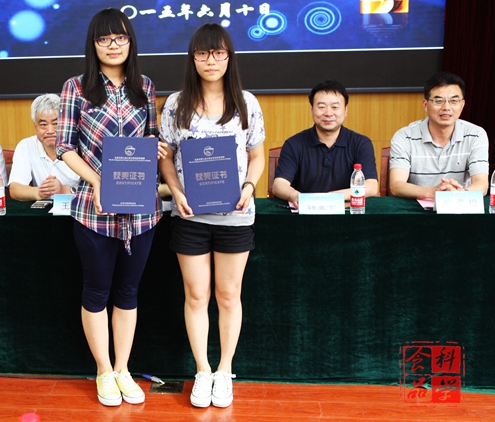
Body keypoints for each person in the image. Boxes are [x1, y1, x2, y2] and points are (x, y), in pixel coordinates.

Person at [56, 8, 164, 407]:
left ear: (130, 42)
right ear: (94, 44)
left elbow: (152, 138)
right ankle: (103, 370)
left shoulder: (145, 86)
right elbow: (64, 147)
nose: (113, 45)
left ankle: (122, 369)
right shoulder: (76, 87)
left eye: (120, 37)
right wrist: (99, 180)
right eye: (104, 39)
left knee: (129, 291)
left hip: (142, 210)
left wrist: (157, 148)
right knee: (97, 290)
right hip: (94, 209)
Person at [159, 23, 265, 409]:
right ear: (193, 58)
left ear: (229, 57)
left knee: (228, 295)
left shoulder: (246, 102)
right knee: (196, 295)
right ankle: (202, 370)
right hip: (190, 216)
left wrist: (249, 187)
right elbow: (165, 156)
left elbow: (256, 155)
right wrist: (175, 191)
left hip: (235, 215)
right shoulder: (176, 103)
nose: (211, 60)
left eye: (218, 53)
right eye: (203, 53)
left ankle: (224, 370)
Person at [272, 80, 378, 208]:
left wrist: (331, 198)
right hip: (306, 212)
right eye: (321, 107)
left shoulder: (361, 143)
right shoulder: (294, 144)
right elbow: (279, 184)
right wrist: (294, 195)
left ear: (345, 110)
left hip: (347, 212)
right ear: (312, 110)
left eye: (335, 107)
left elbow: (371, 186)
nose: (328, 113)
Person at [389, 71, 489, 198]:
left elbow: (482, 184)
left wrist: (459, 194)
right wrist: (433, 192)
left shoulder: (476, 135)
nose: (446, 107)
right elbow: (396, 186)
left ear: (462, 105)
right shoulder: (404, 136)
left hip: (460, 204)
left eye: (454, 101)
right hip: (418, 206)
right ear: (426, 105)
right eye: (439, 101)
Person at [8, 94, 80, 201]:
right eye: (43, 124)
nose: (50, 131)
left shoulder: (82, 146)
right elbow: (15, 189)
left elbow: (98, 187)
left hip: (75, 207)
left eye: (56, 123)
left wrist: (64, 190)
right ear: (35, 127)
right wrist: (40, 192)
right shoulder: (26, 146)